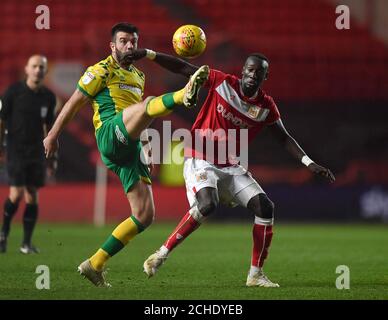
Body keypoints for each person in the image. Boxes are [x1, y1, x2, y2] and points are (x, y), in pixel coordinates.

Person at [126, 49, 335, 287]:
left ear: (265, 78)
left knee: (265, 207)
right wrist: (149, 54)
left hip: (231, 164)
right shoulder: (222, 82)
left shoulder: (266, 106)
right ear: (243, 70)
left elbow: (284, 138)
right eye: (250, 69)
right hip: (200, 156)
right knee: (207, 204)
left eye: (259, 72)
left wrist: (309, 162)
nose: (253, 75)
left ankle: (255, 275)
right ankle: (160, 255)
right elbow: (184, 68)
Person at [43, 22, 209, 287]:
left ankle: (94, 263)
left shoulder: (138, 77)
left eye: (133, 41)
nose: (129, 46)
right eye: (123, 41)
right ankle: (183, 95)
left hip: (130, 146)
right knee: (147, 106)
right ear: (113, 46)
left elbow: (141, 116)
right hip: (109, 134)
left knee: (144, 215)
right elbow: (74, 102)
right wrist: (52, 134)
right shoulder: (100, 70)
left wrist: (144, 146)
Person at [0, 55, 57, 254]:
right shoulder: (13, 93)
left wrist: (52, 156)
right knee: (16, 194)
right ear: (26, 69)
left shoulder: (49, 97)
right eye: (34, 66)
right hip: (15, 150)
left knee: (32, 194)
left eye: (41, 67)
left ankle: (26, 243)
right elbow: (2, 121)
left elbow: (49, 127)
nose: (38, 70)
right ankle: (3, 235)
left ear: (46, 71)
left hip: (36, 152)